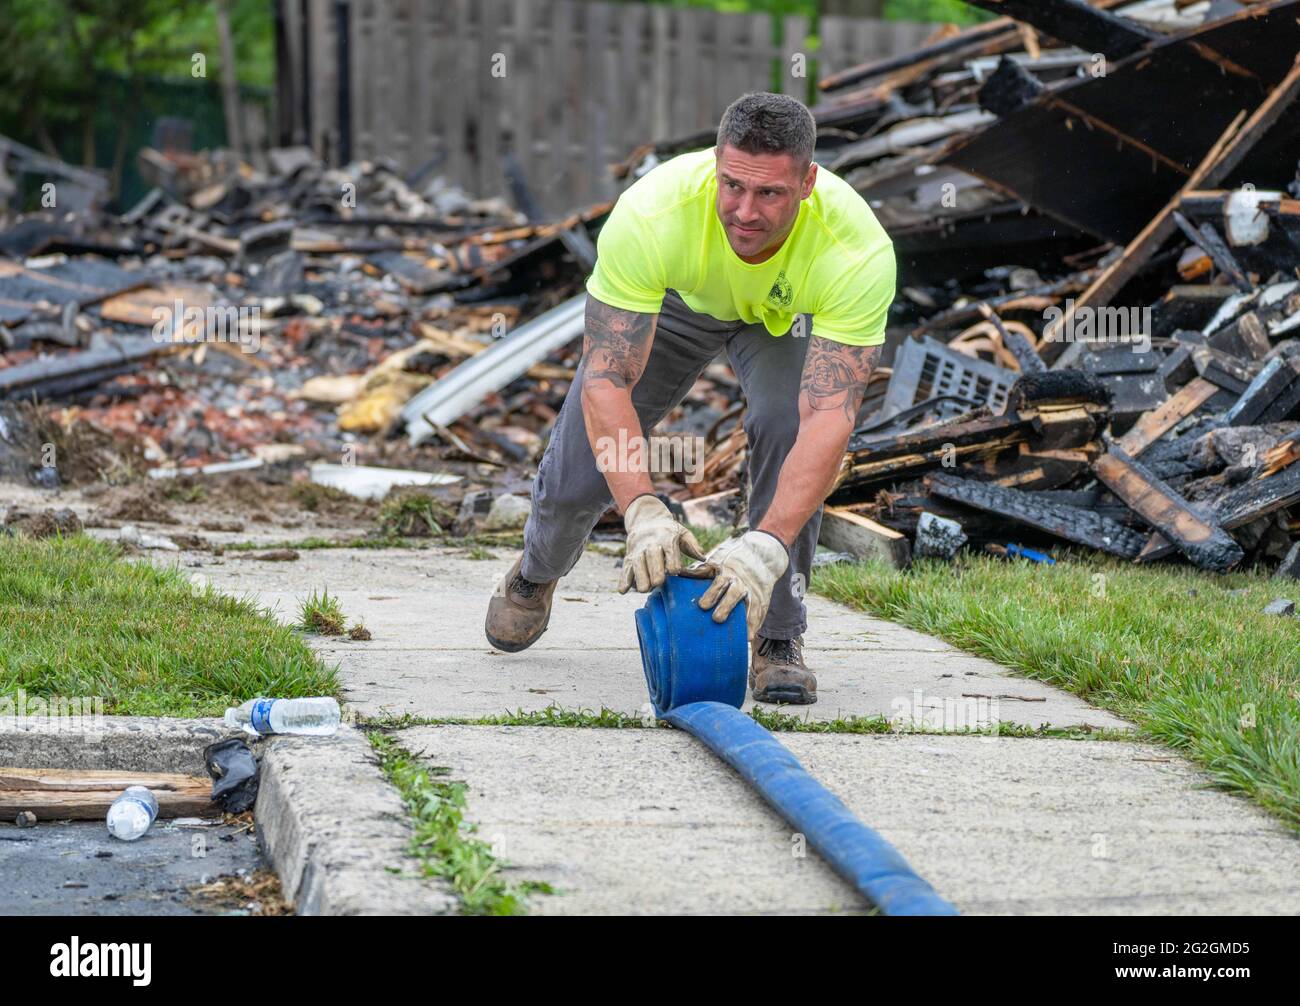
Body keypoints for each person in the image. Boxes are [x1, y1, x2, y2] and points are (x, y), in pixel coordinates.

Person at [485, 91, 895, 705]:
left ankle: (778, 635)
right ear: (714, 165)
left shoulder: (856, 248)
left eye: (770, 194)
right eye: (732, 186)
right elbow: (606, 382)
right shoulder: (652, 213)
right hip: (679, 303)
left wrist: (768, 546)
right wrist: (643, 510)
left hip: (786, 316)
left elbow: (828, 419)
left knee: (787, 424)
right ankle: (535, 572)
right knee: (577, 473)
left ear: (808, 182)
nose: (745, 212)